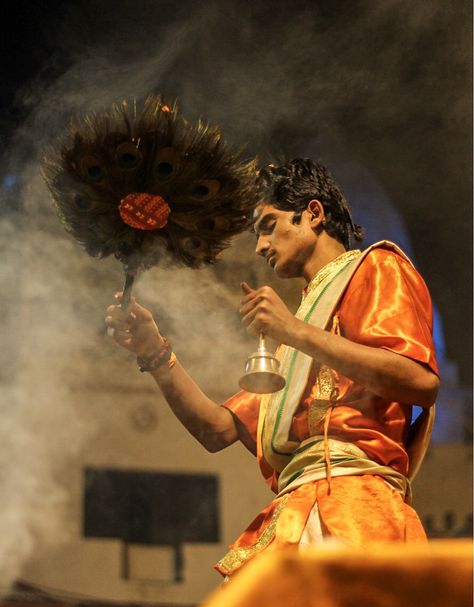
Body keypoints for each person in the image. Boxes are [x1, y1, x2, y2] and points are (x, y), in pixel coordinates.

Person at [105, 158, 439, 578]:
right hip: (295, 508)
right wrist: (153, 352)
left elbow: (419, 382)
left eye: (268, 224)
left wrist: (293, 330)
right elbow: (216, 429)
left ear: (314, 214)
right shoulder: (299, 335)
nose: (260, 246)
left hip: (354, 505)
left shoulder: (375, 268)